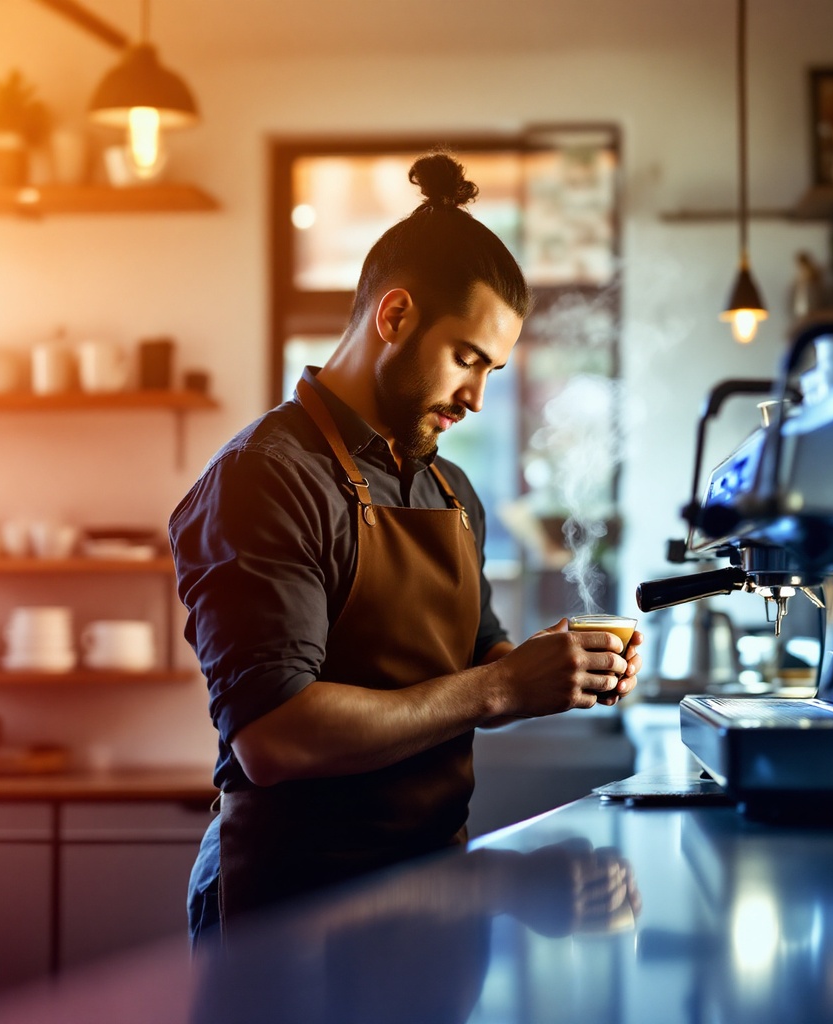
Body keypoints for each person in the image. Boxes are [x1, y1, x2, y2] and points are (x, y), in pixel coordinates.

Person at [169, 151, 644, 945]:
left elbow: (479, 662)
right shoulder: (266, 477)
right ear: (394, 317)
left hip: (436, 892)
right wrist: (498, 691)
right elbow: (275, 737)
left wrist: (554, 665)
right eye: (466, 358)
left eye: (493, 369)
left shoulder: (449, 487)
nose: (477, 397)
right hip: (290, 911)